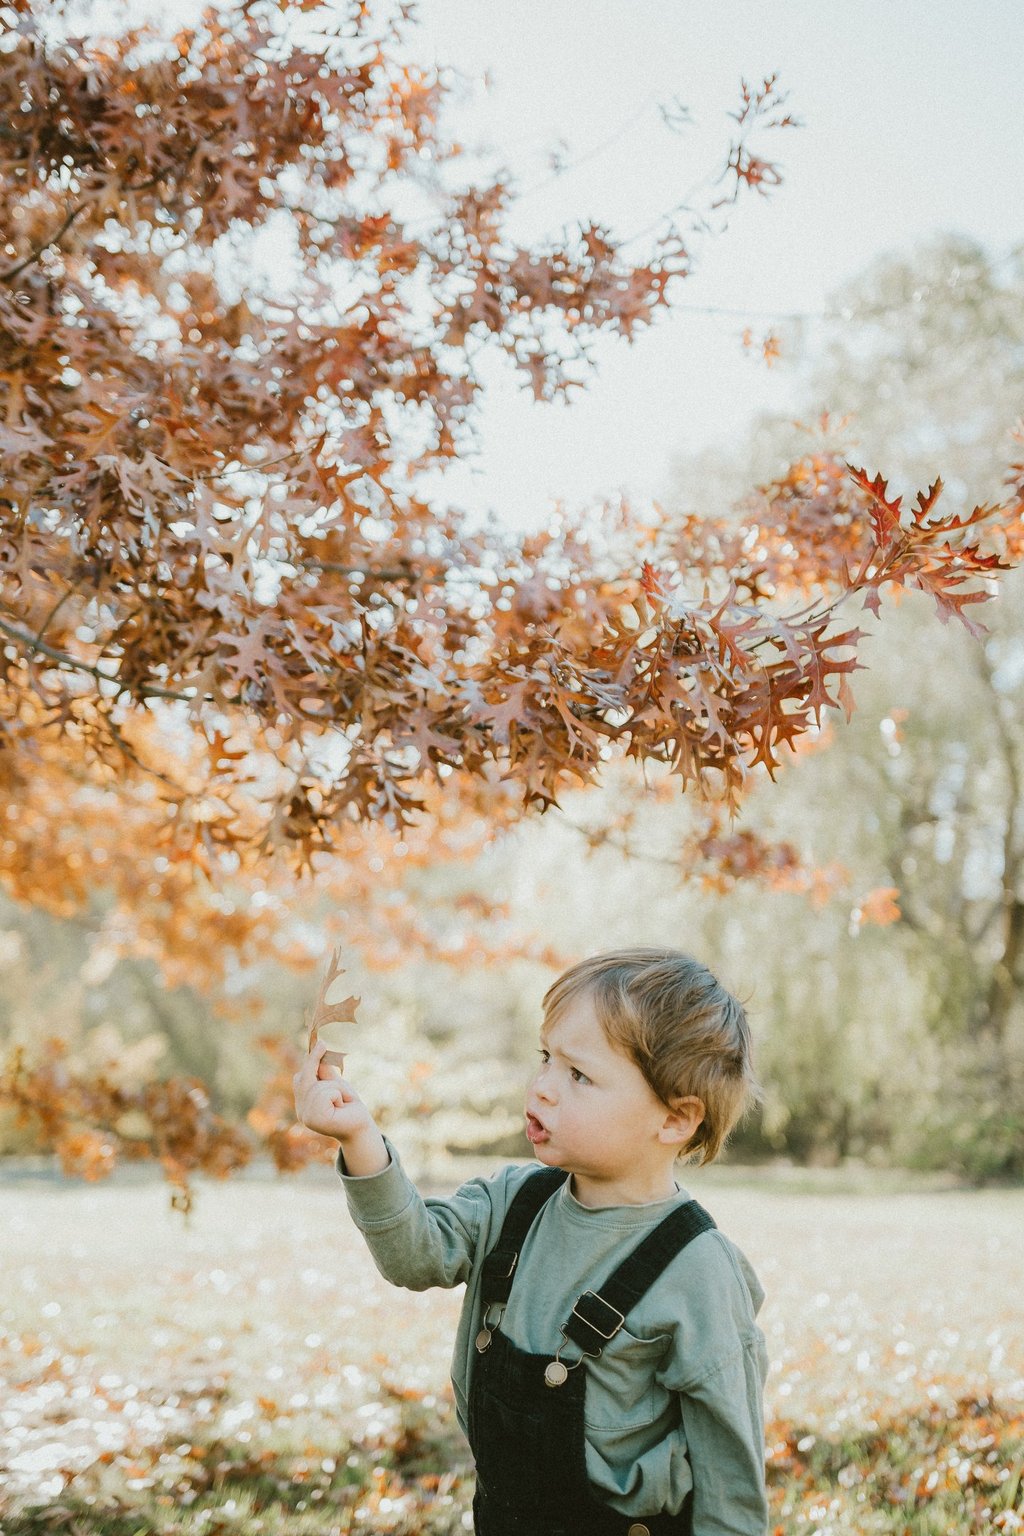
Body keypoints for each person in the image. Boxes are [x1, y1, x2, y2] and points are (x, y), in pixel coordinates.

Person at [293, 946, 770, 1536]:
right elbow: (413, 1256)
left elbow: (731, 1482)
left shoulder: (698, 1271)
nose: (542, 1086)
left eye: (578, 1074)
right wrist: (359, 1138)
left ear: (674, 1119)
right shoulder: (511, 1203)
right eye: (545, 1057)